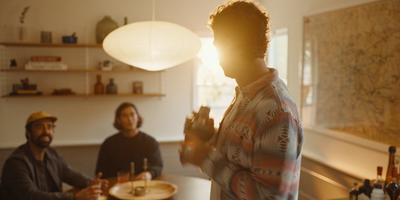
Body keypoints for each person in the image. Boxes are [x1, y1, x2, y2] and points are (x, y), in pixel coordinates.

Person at [179, 1, 304, 199]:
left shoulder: (276, 111)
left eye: (219, 46)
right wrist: (211, 136)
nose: (218, 58)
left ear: (233, 43)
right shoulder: (246, 95)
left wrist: (206, 158)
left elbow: (268, 196)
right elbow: (245, 154)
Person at [0, 110, 108, 200]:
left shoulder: (52, 154)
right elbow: (32, 196)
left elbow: (71, 175)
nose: (46, 131)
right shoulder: (16, 163)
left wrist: (91, 182)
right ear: (28, 132)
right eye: (39, 127)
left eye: (50, 127)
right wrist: (74, 197)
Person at [95, 102, 163, 180]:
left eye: (132, 115)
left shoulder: (150, 142)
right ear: (118, 120)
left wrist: (149, 174)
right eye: (124, 115)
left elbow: (157, 165)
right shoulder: (108, 143)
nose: (130, 119)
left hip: (142, 184)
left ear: (138, 118)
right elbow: (100, 171)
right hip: (117, 186)